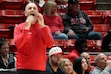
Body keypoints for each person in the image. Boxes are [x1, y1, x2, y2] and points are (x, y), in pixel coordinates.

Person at [14, 2, 54, 74]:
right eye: (29, 8)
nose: (32, 10)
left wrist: (43, 26)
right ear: (25, 13)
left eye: (34, 8)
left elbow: (50, 44)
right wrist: (27, 28)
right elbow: (18, 45)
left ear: (38, 13)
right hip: (23, 68)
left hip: (40, 68)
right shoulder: (19, 27)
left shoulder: (45, 28)